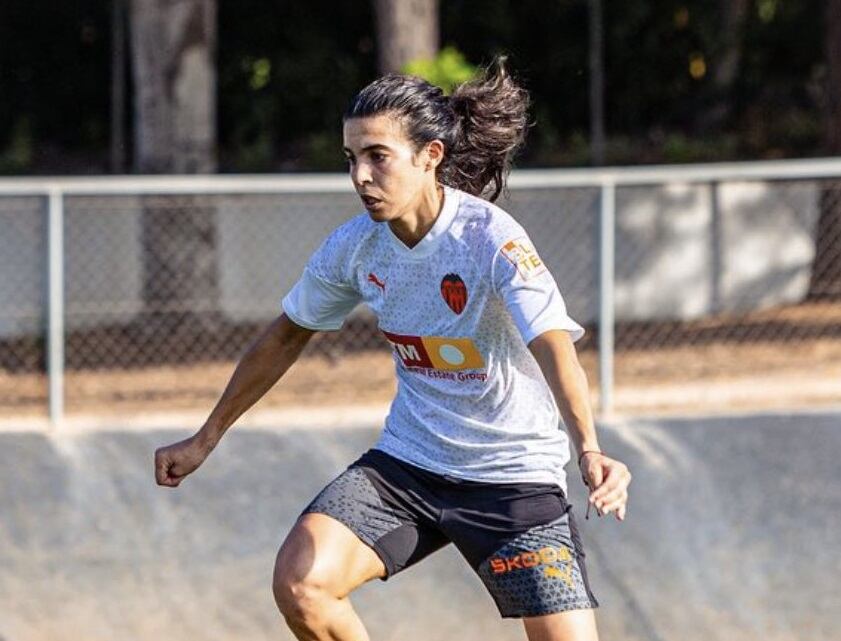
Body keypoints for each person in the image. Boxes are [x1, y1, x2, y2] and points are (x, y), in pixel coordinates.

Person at [154, 58, 632, 641]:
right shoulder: (355, 247)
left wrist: (589, 449)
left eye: (377, 156)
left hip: (513, 477)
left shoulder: (490, 238)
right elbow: (284, 335)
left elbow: (552, 343)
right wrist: (206, 437)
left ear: (430, 156)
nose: (360, 175)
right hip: (410, 466)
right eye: (351, 159)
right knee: (302, 583)